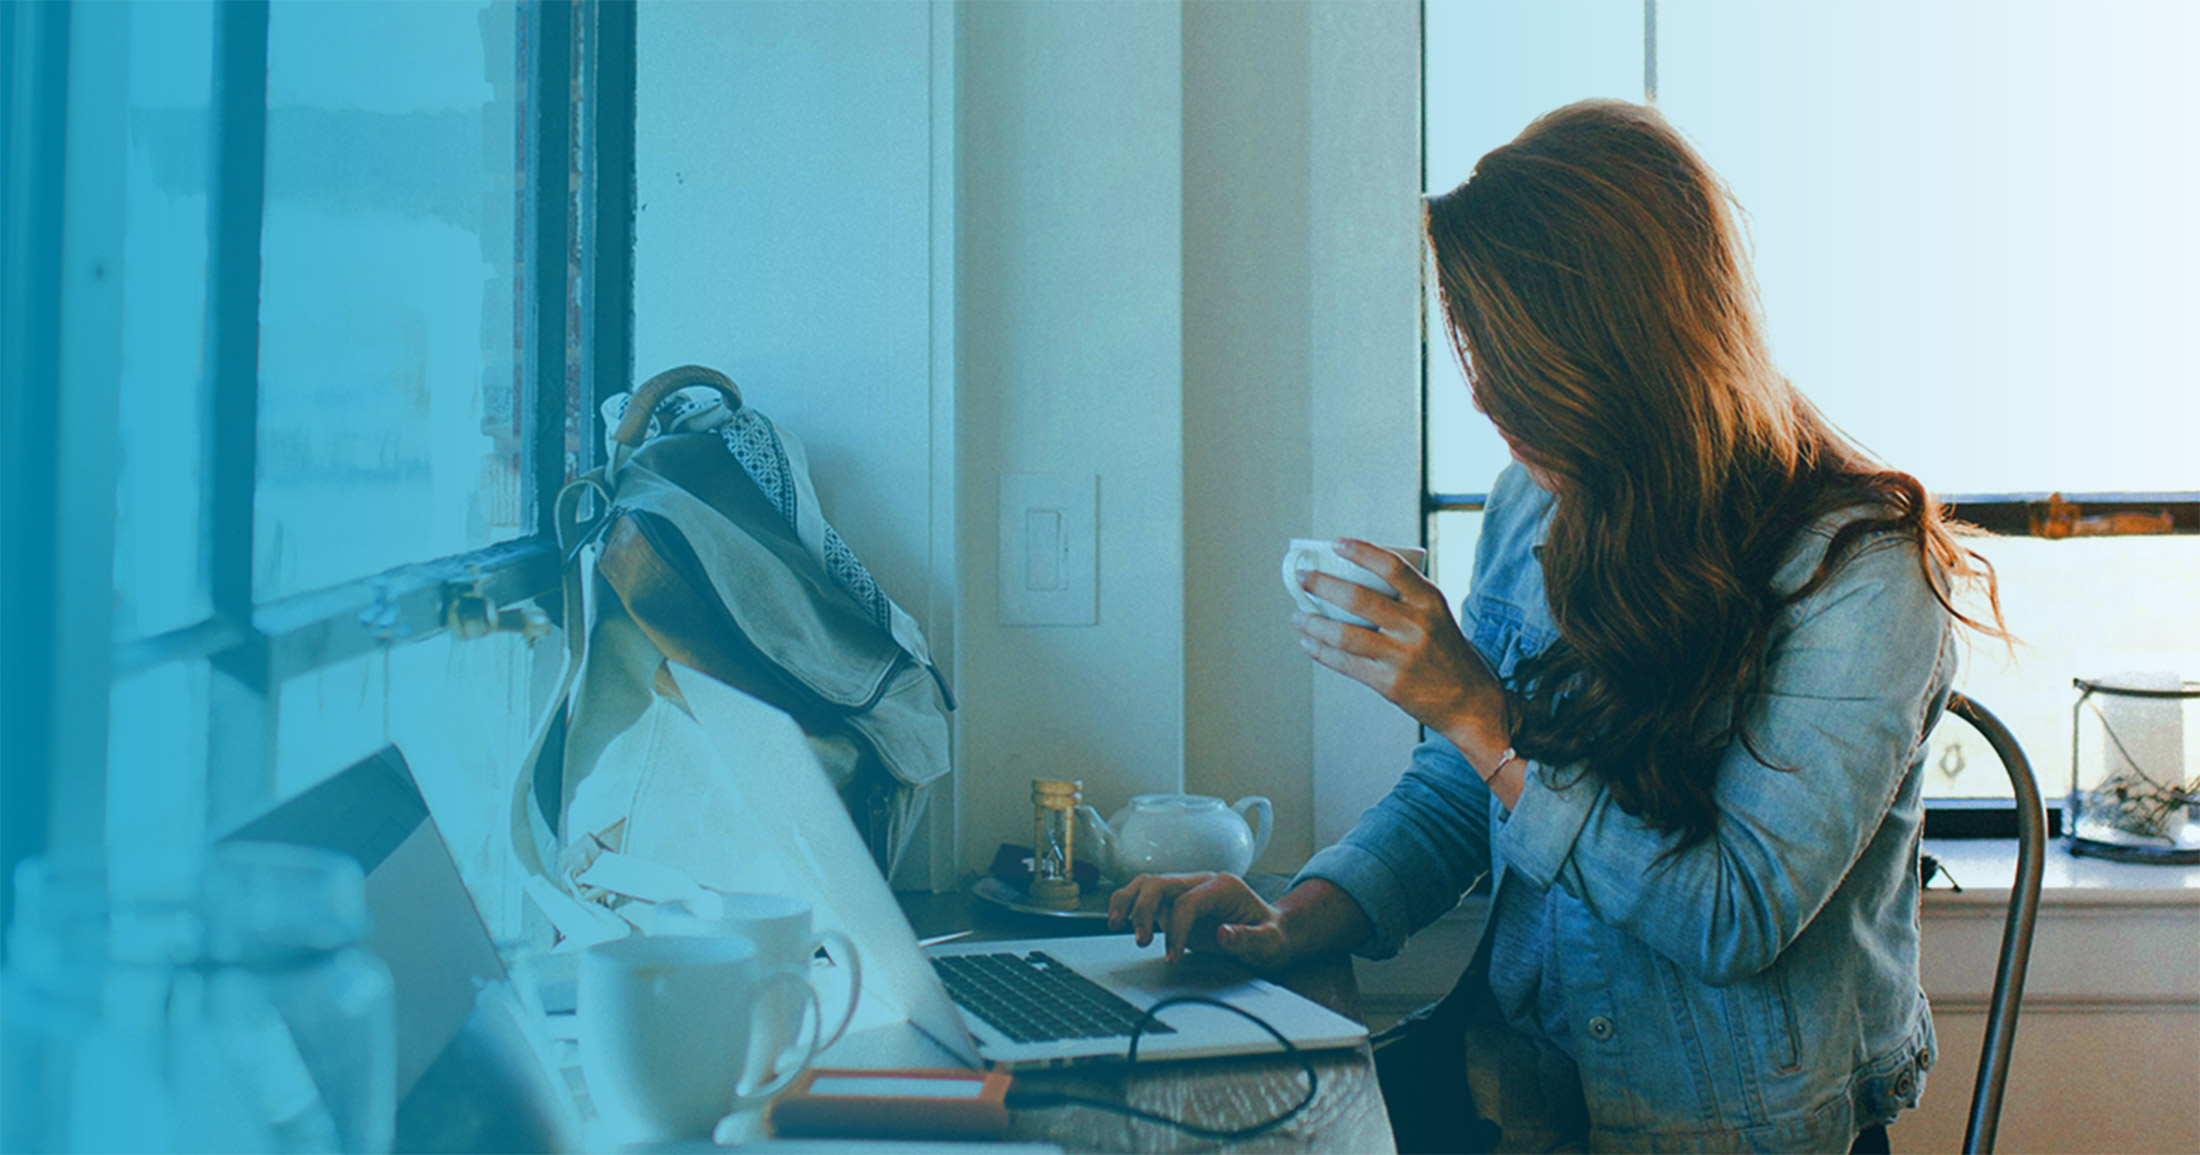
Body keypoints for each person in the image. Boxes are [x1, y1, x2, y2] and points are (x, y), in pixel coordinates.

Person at [1108, 99, 2005, 1153]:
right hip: (1518, 1091)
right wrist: (1297, 915)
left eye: (1511, 365)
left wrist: (1477, 712)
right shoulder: (1536, 500)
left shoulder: (1862, 573)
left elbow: (1733, 915)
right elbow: (1461, 790)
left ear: (1623, 355)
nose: (1487, 397)